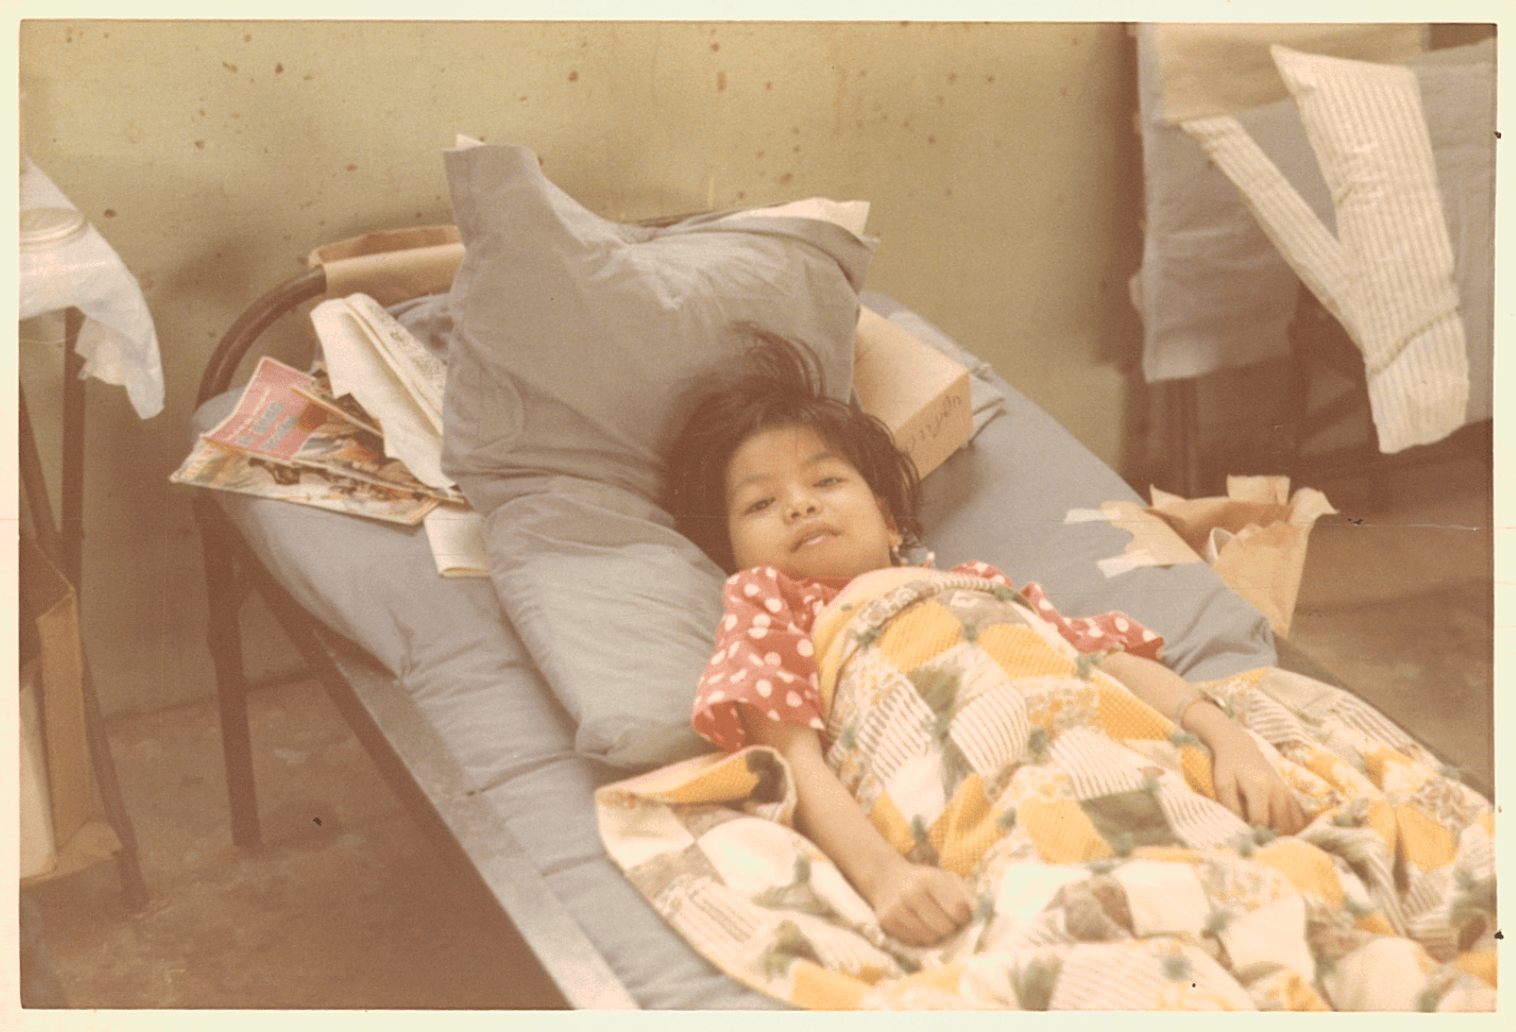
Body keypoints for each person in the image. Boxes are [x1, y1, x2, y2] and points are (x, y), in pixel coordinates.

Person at [662, 329, 1307, 948]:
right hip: (973, 800)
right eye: (759, 504)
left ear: (890, 521)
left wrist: (1229, 740)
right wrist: (886, 877)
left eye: (827, 481)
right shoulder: (768, 605)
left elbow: (1109, 662)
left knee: (1256, 886)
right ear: (735, 557)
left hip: (1100, 754)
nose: (800, 505)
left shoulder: (973, 582)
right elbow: (792, 759)